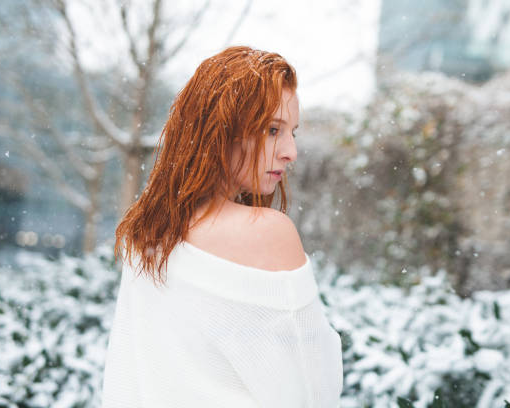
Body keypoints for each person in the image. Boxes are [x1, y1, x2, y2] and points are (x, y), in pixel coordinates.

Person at [101, 46, 343, 407]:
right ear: (220, 129)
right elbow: (311, 391)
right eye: (272, 129)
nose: (291, 151)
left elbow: (126, 380)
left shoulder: (147, 237)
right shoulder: (268, 233)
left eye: (292, 131)